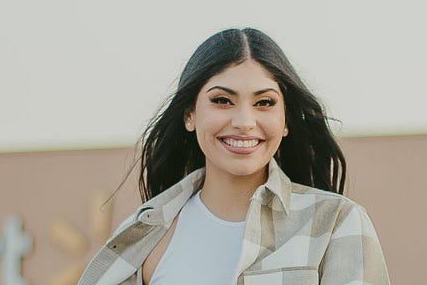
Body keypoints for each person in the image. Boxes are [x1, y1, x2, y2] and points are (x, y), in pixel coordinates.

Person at [78, 28, 389, 285]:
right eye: (223, 100)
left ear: (286, 121)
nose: (243, 122)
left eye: (264, 102)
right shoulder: (142, 233)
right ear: (190, 114)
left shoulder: (335, 223)